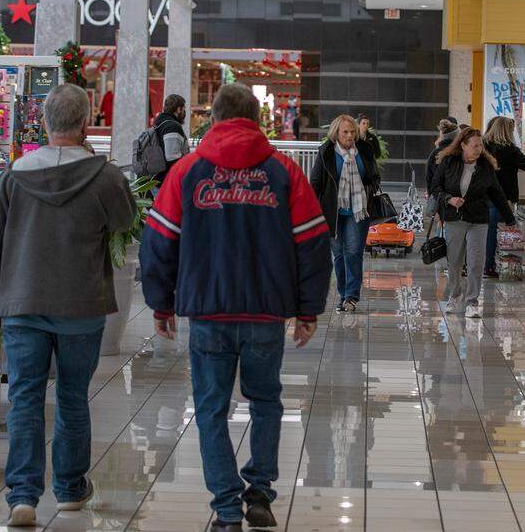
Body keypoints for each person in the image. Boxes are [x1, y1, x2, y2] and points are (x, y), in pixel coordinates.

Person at [140, 83, 331, 532]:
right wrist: (308, 310)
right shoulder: (284, 171)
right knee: (266, 402)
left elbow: (159, 241)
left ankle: (227, 508)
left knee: (210, 409)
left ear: (214, 119)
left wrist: (160, 304)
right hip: (266, 312)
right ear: (257, 120)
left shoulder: (187, 171)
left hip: (207, 313)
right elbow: (313, 242)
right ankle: (260, 493)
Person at [0, 83, 137, 527]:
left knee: (23, 397)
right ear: (85, 125)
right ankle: (70, 489)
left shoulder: (13, 177)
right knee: (73, 398)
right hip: (82, 305)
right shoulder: (104, 176)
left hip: (22, 304)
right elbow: (125, 221)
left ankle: (23, 497)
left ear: (44, 123)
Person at [430, 126, 515, 319]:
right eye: (475, 146)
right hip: (454, 218)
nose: (479, 149)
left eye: (480, 145)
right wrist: (449, 198)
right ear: (463, 145)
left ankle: (472, 301)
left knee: (476, 261)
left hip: (478, 219)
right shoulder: (449, 162)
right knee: (454, 262)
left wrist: (509, 218)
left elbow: (497, 193)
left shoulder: (485, 166)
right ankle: (455, 295)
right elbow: (436, 187)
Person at [310, 114, 381, 312]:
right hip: (332, 211)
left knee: (353, 253)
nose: (350, 136)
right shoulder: (326, 152)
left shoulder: (364, 150)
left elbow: (375, 176)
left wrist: (369, 188)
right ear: (336, 133)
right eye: (345, 132)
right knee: (339, 255)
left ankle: (351, 297)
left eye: (352, 132)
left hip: (358, 211)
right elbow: (315, 182)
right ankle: (343, 294)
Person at [482, 116, 525, 277]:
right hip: (504, 196)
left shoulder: (483, 147)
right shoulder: (510, 150)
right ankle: (491, 265)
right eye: (511, 130)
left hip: (484, 195)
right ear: (506, 130)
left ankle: (487, 264)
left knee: (488, 231)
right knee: (498, 231)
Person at [152, 93, 190, 184]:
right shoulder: (172, 126)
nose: (185, 113)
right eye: (184, 109)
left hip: (155, 179)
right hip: (164, 181)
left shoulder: (160, 122)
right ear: (178, 109)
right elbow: (172, 158)